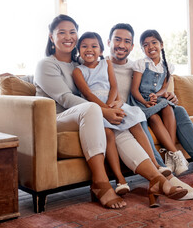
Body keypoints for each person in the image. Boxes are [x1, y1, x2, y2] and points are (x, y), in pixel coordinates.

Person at [34, 15, 187, 209]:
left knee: (119, 127)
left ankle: (157, 179)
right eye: (61, 32)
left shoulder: (77, 64)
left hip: (87, 117)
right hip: (57, 119)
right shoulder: (45, 64)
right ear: (51, 37)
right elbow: (65, 98)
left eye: (72, 32)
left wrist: (112, 108)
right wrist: (104, 111)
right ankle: (100, 183)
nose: (68, 36)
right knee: (92, 110)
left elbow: (98, 78)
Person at [107, 23, 193, 197]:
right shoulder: (102, 66)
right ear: (109, 41)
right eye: (117, 40)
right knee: (138, 118)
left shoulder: (137, 65)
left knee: (178, 110)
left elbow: (153, 87)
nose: (121, 45)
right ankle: (166, 176)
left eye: (127, 41)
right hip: (132, 114)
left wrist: (168, 95)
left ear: (132, 46)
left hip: (148, 106)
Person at [72, 32, 171, 195]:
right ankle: (120, 179)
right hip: (95, 108)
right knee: (109, 135)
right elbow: (88, 94)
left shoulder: (107, 64)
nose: (89, 49)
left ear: (101, 50)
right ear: (78, 50)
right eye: (84, 46)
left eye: (94, 46)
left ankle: (156, 165)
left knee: (136, 123)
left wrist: (111, 104)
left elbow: (114, 87)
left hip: (112, 103)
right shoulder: (78, 71)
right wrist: (105, 109)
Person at [129, 29, 189, 176]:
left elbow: (164, 88)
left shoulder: (167, 66)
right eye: (145, 45)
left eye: (154, 43)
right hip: (140, 101)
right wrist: (145, 101)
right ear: (142, 49)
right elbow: (134, 90)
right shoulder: (141, 64)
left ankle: (170, 155)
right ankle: (176, 154)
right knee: (154, 116)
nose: (150, 47)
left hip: (156, 98)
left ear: (161, 45)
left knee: (168, 106)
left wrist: (156, 95)